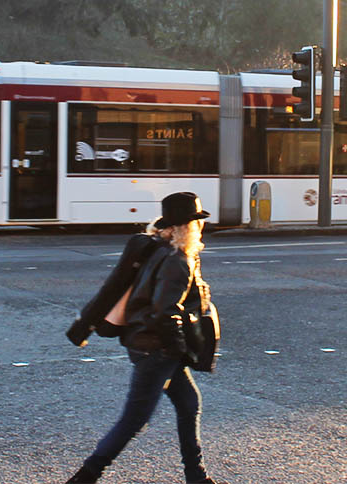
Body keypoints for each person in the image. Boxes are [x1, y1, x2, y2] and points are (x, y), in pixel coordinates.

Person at [65, 192, 226, 484]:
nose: (201, 229)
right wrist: (179, 348)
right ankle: (85, 476)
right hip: (157, 348)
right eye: (197, 223)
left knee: (189, 402)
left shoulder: (157, 249)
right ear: (188, 228)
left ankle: (197, 476)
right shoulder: (177, 261)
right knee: (134, 419)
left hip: (149, 343)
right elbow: (164, 312)